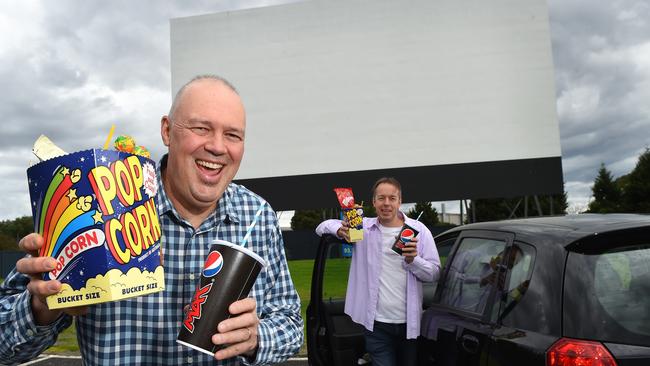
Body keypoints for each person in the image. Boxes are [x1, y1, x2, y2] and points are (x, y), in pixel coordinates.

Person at [0, 75, 303, 365]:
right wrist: (40, 309)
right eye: (201, 128)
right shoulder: (97, 205)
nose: (218, 146)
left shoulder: (258, 215)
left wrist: (255, 338)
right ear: (168, 131)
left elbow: (290, 323)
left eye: (233, 135)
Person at [315, 177, 440, 366]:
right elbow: (321, 227)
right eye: (381, 198)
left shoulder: (418, 231)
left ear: (400, 201)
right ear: (373, 202)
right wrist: (341, 231)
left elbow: (434, 273)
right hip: (376, 324)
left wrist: (413, 260)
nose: (387, 203)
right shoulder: (362, 228)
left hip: (410, 324)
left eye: (392, 198)